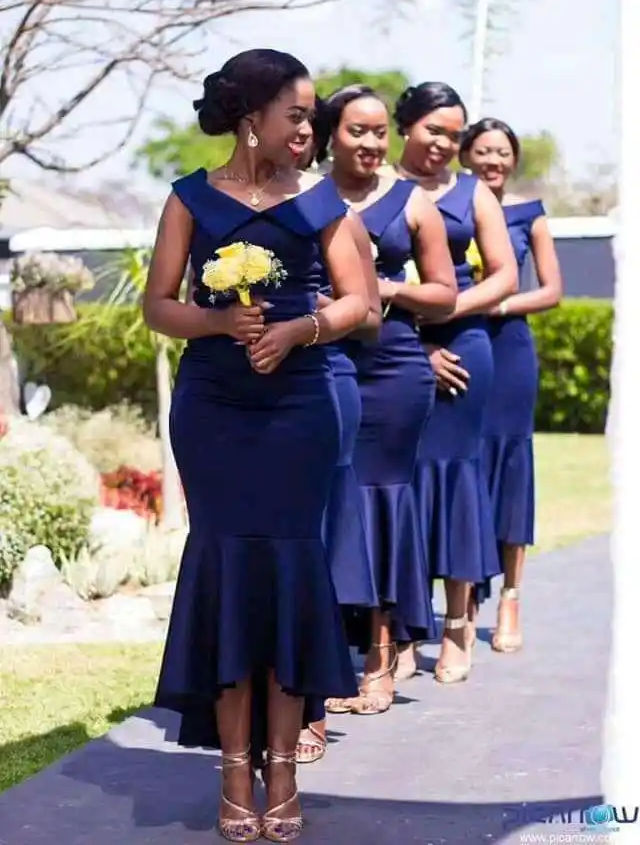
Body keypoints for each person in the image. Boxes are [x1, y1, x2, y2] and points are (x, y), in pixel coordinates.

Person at [144, 48, 370, 843]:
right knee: (231, 576)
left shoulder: (321, 203)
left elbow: (360, 302)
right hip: (214, 409)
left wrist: (300, 329)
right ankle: (235, 770)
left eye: (312, 116)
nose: (310, 129)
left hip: (300, 409)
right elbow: (158, 306)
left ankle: (284, 768)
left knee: (288, 577)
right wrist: (217, 321)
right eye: (297, 115)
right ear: (252, 119)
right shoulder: (189, 200)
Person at [313, 84, 457, 716]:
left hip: (394, 371)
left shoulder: (413, 202)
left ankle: (380, 658)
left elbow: (445, 295)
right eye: (357, 131)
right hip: (322, 366)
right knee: (327, 507)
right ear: (330, 135)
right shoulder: (306, 198)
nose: (372, 143)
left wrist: (382, 288)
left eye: (380, 132)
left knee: (380, 505)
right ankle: (324, 658)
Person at [392, 82, 518, 685]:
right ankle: (401, 629)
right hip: (393, 349)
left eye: (454, 134)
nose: (444, 143)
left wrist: (447, 307)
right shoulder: (377, 189)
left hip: (465, 348)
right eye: (433, 130)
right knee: (401, 487)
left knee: (455, 479)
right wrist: (416, 343)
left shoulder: (473, 194)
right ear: (406, 126)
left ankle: (458, 622)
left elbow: (504, 275)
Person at [294, 106, 382, 764]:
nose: (297, 138)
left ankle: (312, 703)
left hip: (325, 383)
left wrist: (319, 314)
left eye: (306, 129)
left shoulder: (337, 215)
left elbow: (371, 317)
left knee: (315, 548)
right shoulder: (222, 211)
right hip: (243, 396)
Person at [460, 117, 562, 652]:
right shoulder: (450, 208)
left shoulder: (530, 214)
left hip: (510, 349)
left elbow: (551, 290)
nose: (493, 161)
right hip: (462, 345)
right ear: (465, 156)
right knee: (467, 469)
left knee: (511, 469)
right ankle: (465, 597)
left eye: (501, 152)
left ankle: (510, 599)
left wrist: (497, 303)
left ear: (513, 159)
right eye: (482, 151)